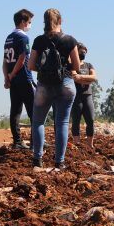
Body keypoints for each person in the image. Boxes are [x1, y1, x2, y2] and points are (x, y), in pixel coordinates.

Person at [28, 9, 80, 169]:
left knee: (37, 122)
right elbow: (77, 66)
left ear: (44, 22)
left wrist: (44, 70)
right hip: (65, 84)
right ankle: (60, 162)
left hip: (44, 85)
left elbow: (30, 65)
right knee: (62, 122)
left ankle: (37, 159)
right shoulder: (70, 40)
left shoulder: (38, 40)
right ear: (61, 21)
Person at [3, 9, 35, 149]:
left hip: (13, 80)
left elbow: (5, 61)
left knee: (15, 111)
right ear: (22, 22)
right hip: (23, 77)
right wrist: (13, 74)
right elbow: (22, 58)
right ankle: (36, 141)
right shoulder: (23, 37)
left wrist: (7, 77)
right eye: (29, 22)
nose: (29, 25)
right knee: (33, 111)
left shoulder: (8, 37)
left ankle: (17, 141)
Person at [71, 42, 97, 149]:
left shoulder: (89, 65)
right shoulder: (72, 64)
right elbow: (73, 76)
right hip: (76, 96)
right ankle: (76, 144)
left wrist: (81, 78)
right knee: (76, 121)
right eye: (82, 51)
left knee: (90, 120)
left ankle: (90, 145)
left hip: (87, 96)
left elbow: (94, 78)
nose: (84, 53)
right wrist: (87, 79)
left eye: (85, 51)